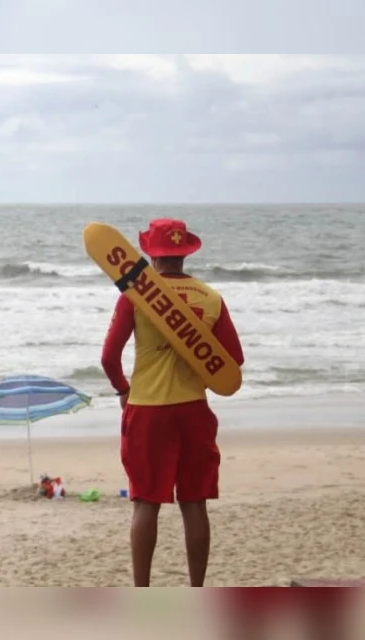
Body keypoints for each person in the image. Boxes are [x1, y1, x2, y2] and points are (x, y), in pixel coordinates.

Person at [100, 218, 245, 588]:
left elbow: (109, 358)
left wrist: (122, 390)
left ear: (150, 251)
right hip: (194, 411)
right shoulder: (210, 297)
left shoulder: (135, 295)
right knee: (194, 504)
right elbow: (234, 361)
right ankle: (197, 589)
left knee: (146, 503)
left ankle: (142, 591)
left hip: (147, 411)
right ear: (186, 253)